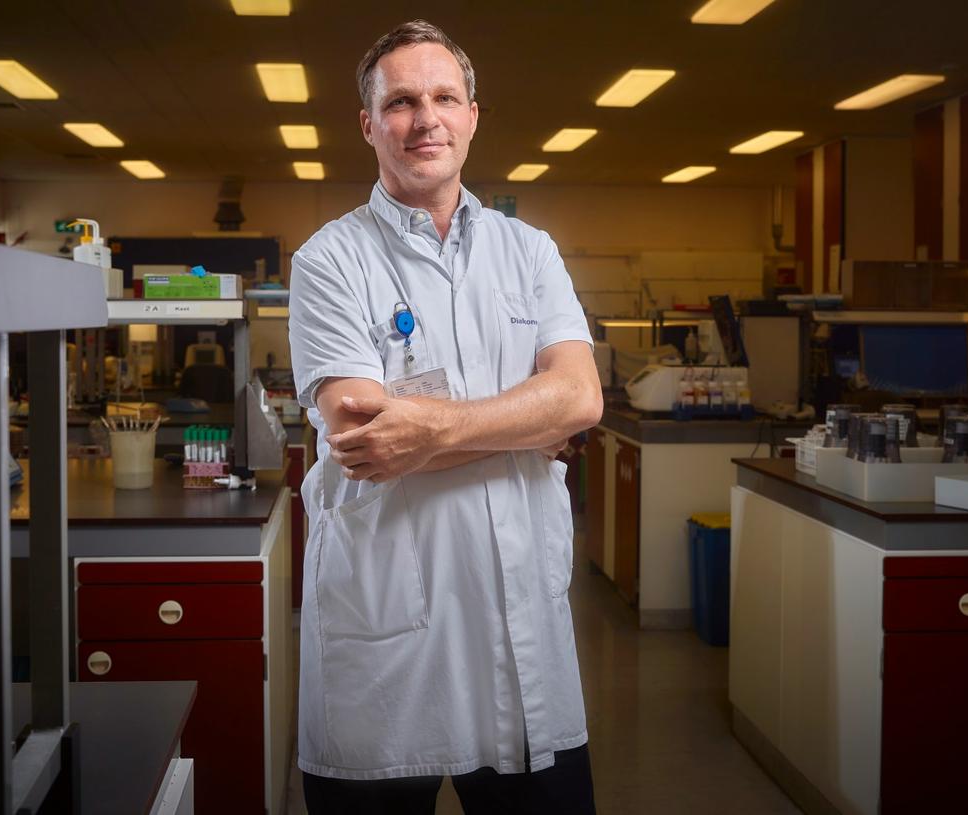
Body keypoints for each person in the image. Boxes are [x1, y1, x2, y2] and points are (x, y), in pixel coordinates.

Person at [288, 19, 603, 814]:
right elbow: (364, 440)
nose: (425, 118)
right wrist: (525, 426)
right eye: (400, 101)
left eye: (444, 97)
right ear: (369, 125)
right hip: (386, 638)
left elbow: (580, 398)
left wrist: (429, 428)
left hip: (521, 637)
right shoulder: (330, 260)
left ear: (472, 115)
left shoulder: (530, 251)